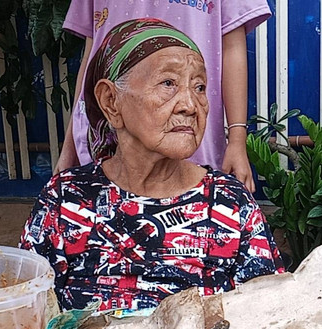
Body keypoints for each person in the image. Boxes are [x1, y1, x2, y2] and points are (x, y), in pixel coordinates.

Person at [21, 19, 284, 313]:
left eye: (199, 87)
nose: (190, 105)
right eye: (168, 83)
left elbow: (269, 318)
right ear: (111, 101)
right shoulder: (65, 200)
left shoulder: (229, 204)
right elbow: (26, 318)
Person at [55, 0, 272, 192]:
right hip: (106, 137)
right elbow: (93, 52)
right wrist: (69, 148)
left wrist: (237, 139)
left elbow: (232, 46)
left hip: (187, 137)